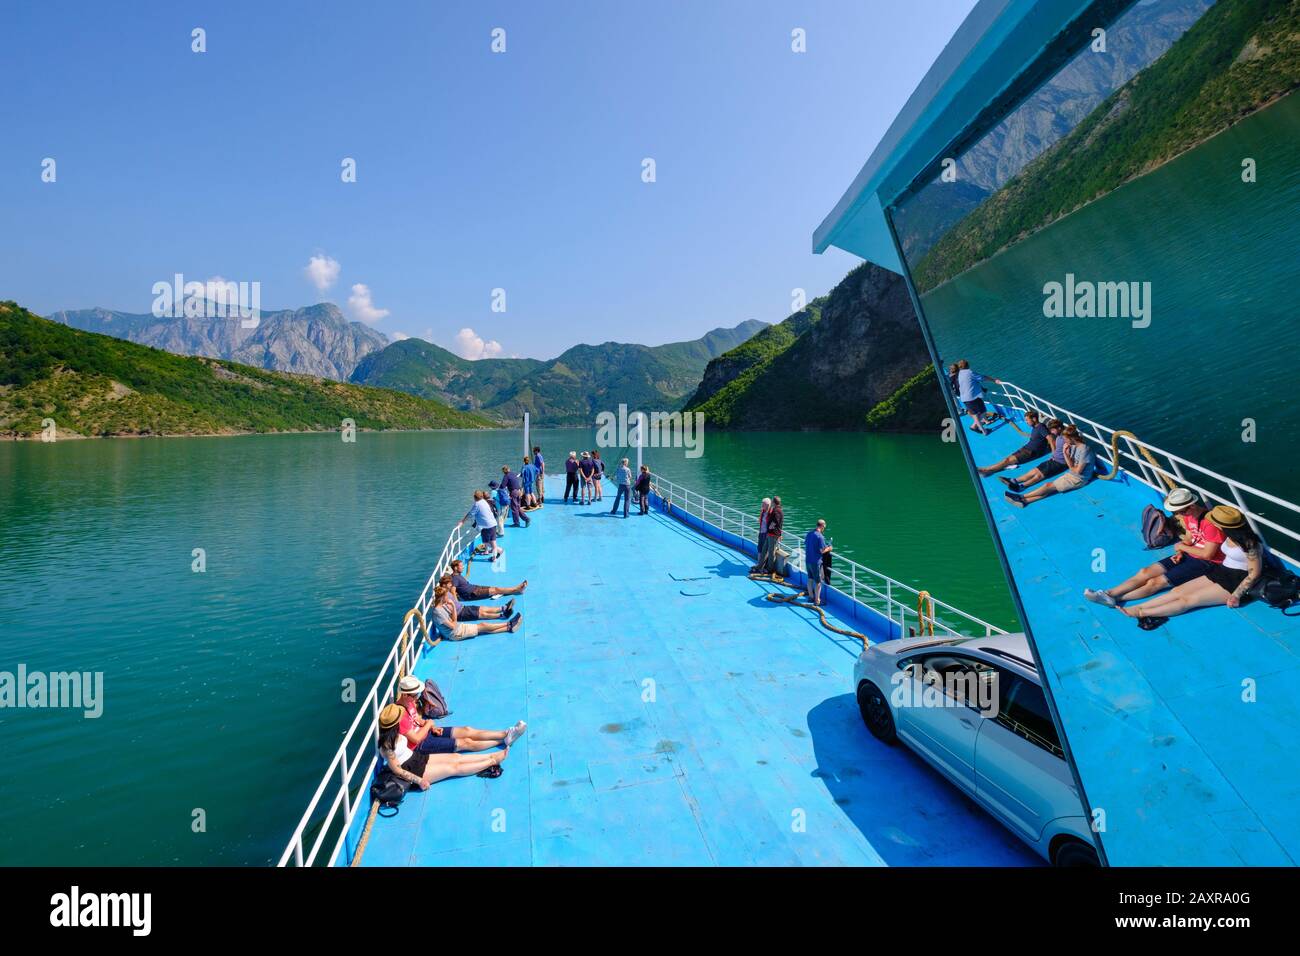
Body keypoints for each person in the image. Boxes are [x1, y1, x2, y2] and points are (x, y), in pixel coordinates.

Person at [1117, 506, 1281, 629]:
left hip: (1237, 581)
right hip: (1222, 571)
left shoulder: (1250, 544)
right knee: (1177, 591)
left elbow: (1254, 573)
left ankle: (1142, 613)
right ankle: (1140, 606)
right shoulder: (1228, 536)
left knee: (1189, 600)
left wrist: (1237, 595)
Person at [1084, 489, 1224, 607]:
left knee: (1155, 582)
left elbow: (1208, 554)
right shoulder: (1189, 516)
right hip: (1189, 553)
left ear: (1191, 506)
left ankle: (1117, 599)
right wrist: (1181, 551)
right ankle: (1109, 593)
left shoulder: (1210, 524)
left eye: (1180, 512)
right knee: (1145, 572)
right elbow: (1189, 538)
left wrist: (1182, 547)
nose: (1178, 515)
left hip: (1206, 563)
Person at [377, 703, 507, 789]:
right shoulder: (387, 746)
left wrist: (430, 727)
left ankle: (490, 755)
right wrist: (419, 781)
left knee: (456, 757)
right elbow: (397, 770)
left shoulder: (397, 733)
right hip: (413, 770)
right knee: (453, 768)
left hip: (417, 757)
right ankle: (492, 761)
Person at [394, 675, 525, 755]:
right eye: (415, 695)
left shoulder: (410, 703)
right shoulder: (399, 716)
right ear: (405, 695)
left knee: (467, 730)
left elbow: (418, 719)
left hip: (427, 731)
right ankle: (503, 740)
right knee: (466, 743)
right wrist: (429, 725)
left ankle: (505, 733)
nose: (418, 697)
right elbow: (415, 739)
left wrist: (431, 727)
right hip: (420, 745)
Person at [1005, 425, 1094, 507]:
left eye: (1065, 439)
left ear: (1071, 438)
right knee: (1050, 489)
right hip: (1072, 475)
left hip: (1079, 479)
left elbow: (1077, 471)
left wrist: (1066, 457)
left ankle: (1021, 497)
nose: (1065, 441)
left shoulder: (1084, 450)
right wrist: (1065, 453)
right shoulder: (1074, 446)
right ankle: (1025, 501)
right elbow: (1071, 465)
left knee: (1048, 486)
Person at [997, 419, 1067, 491]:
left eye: (1052, 430)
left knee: (1040, 474)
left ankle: (1021, 486)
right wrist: (1053, 456)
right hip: (1054, 459)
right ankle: (1014, 480)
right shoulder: (1059, 436)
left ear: (1059, 428)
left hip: (1061, 463)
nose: (1051, 432)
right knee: (1035, 470)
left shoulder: (1066, 439)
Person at [977, 410, 1053, 476]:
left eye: (1027, 420)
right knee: (1007, 459)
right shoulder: (1035, 427)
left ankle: (986, 470)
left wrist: (1054, 452)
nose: (1026, 422)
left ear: (1034, 419)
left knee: (1007, 461)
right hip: (1026, 448)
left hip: (1030, 452)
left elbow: (1050, 438)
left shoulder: (1041, 427)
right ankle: (988, 469)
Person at [431, 583, 521, 639]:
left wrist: (453, 606)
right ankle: (508, 624)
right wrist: (454, 618)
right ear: (442, 598)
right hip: (456, 633)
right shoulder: (438, 612)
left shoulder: (442, 607)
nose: (448, 597)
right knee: (483, 626)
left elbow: (454, 621)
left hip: (458, 628)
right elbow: (453, 626)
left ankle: (508, 628)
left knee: (483, 628)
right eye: (446, 596)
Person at [437, 573, 515, 621]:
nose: (451, 584)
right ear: (444, 585)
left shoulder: (447, 591)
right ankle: (502, 615)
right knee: (481, 614)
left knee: (482, 608)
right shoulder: (443, 596)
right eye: (449, 583)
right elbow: (445, 609)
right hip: (460, 613)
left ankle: (503, 608)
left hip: (463, 608)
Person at [955, 359, 1002, 435]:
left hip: (965, 398)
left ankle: (974, 426)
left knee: (979, 413)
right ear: (967, 365)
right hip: (972, 397)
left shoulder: (959, 373)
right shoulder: (969, 372)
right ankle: (984, 431)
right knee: (980, 413)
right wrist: (994, 380)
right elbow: (982, 377)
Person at [447, 558, 526, 602]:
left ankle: (516, 590)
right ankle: (517, 589)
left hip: (475, 588)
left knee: (494, 588)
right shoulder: (454, 578)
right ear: (456, 568)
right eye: (461, 566)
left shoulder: (457, 575)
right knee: (496, 590)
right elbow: (453, 590)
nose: (463, 567)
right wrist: (456, 604)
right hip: (473, 593)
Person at [458, 490, 501, 560]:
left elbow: (470, 514)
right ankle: (492, 555)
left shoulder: (477, 504)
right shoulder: (484, 501)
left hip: (486, 526)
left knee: (488, 542)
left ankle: (497, 553)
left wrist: (462, 521)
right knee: (492, 541)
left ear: (475, 497)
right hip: (493, 523)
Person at [804, 519, 832, 605]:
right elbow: (822, 551)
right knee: (818, 582)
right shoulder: (820, 536)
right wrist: (829, 548)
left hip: (808, 560)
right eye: (824, 527)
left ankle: (811, 597)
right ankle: (817, 600)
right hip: (816, 562)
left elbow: (806, 544)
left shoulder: (809, 533)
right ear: (822, 526)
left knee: (810, 579)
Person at [754, 498, 773, 571]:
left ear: (768, 505)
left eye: (763, 504)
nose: (761, 505)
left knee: (765, 550)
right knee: (759, 548)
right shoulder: (763, 511)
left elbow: (775, 523)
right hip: (761, 532)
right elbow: (761, 520)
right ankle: (759, 564)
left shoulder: (771, 513)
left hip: (767, 534)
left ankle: (764, 566)